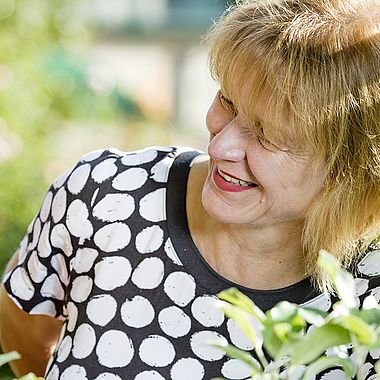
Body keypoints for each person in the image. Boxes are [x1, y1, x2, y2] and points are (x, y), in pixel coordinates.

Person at [1, 0, 380, 379]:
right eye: (227, 101)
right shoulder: (104, 196)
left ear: (346, 171)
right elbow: (23, 334)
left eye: (266, 137)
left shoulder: (370, 296)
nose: (218, 147)